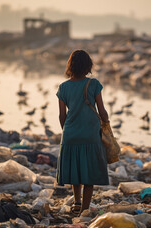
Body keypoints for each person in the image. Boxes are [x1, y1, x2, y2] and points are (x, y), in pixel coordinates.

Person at [56, 50, 109, 215]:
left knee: (75, 170)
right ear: (88, 66)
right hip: (90, 134)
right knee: (89, 173)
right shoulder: (93, 84)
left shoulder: (63, 87)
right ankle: (85, 209)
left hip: (70, 133)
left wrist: (67, 131)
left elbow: (62, 115)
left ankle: (76, 203)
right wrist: (106, 125)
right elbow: (102, 111)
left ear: (70, 66)